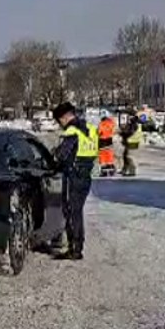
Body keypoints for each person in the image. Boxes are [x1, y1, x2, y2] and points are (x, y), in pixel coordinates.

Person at [51, 101, 98, 261]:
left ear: (64, 117)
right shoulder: (90, 129)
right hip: (86, 175)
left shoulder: (72, 131)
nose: (60, 125)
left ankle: (75, 249)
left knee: (71, 212)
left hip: (73, 176)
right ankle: (77, 246)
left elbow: (62, 155)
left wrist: (54, 155)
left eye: (59, 121)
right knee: (77, 211)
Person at [120, 112, 143, 177]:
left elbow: (130, 133)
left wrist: (122, 133)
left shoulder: (134, 125)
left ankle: (132, 171)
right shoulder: (136, 124)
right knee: (125, 155)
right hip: (133, 141)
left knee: (129, 157)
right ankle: (125, 169)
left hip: (131, 142)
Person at [97, 112, 117, 177]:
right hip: (109, 140)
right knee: (109, 155)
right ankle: (111, 170)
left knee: (103, 156)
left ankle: (104, 171)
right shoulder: (111, 123)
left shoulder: (101, 124)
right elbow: (114, 130)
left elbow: (99, 132)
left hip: (102, 141)